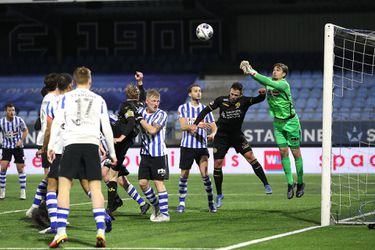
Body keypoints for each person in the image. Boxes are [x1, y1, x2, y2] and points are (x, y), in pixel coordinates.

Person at [47, 67, 117, 248]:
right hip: (91, 145)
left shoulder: (65, 98)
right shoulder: (99, 99)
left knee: (64, 187)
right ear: (90, 80)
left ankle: (61, 232)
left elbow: (57, 122)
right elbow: (106, 127)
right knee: (95, 188)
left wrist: (51, 146)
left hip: (71, 145)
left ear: (75, 81)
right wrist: (112, 152)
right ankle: (100, 230)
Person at [192, 82, 272, 208]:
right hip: (221, 136)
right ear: (230, 92)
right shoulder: (221, 100)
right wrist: (195, 124)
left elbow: (259, 99)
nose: (233, 97)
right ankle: (219, 195)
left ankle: (266, 184)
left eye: (236, 95)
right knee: (217, 164)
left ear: (241, 95)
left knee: (251, 156)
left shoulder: (245, 101)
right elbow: (205, 110)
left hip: (236, 136)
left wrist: (263, 94)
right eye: (232, 94)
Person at [240, 61, 304, 199]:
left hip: (291, 122)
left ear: (284, 74)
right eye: (274, 69)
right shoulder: (269, 83)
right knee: (283, 152)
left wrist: (251, 70)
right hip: (278, 123)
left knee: (296, 153)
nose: (275, 71)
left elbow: (264, 80)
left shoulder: (283, 84)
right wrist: (252, 74)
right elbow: (262, 80)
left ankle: (300, 183)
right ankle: (290, 183)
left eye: (278, 70)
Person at [104, 71, 150, 218]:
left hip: (120, 143)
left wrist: (121, 137)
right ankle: (141, 203)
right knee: (117, 177)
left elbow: (130, 122)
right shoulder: (139, 104)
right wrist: (140, 82)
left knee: (111, 175)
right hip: (125, 142)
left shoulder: (126, 106)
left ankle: (110, 208)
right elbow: (142, 96)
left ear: (126, 94)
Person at [175, 83, 217, 213]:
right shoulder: (183, 108)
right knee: (184, 175)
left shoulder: (206, 109)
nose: (198, 93)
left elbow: (214, 127)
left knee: (205, 175)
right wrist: (197, 125)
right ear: (190, 93)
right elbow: (182, 126)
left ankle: (211, 202)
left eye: (199, 91)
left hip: (201, 147)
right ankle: (181, 203)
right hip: (187, 147)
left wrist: (213, 134)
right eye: (195, 91)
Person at [26, 73, 60, 217]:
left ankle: (36, 207)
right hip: (50, 142)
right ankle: (45, 212)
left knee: (50, 178)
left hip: (45, 141)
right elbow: (49, 126)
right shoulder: (53, 99)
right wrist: (46, 146)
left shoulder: (46, 99)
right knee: (52, 179)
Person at [136, 89, 170, 222]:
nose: (156, 104)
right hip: (145, 154)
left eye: (158, 101)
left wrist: (139, 119)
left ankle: (165, 214)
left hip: (158, 154)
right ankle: (156, 206)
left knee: (158, 182)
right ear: (147, 101)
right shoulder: (141, 113)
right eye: (153, 101)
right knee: (142, 183)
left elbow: (152, 130)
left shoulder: (162, 114)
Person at [0, 103, 29, 200]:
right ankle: (2, 190)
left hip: (18, 147)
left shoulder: (19, 120)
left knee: (20, 169)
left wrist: (21, 140)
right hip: (6, 147)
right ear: (6, 111)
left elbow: (25, 131)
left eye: (13, 110)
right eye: (10, 110)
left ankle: (22, 191)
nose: (12, 112)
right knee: (3, 167)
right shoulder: (1, 122)